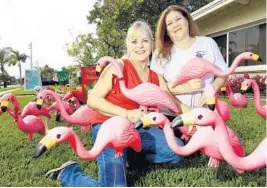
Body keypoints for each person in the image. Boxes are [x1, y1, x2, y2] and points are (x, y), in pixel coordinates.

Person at [44, 21, 191, 187]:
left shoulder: (155, 76)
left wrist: (196, 117)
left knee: (176, 150)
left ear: (152, 43)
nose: (140, 46)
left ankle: (132, 158)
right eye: (134, 41)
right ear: (128, 45)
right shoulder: (118, 67)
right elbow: (93, 99)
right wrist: (127, 114)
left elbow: (174, 102)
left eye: (145, 40)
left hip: (137, 129)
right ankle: (69, 173)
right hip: (108, 128)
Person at [150, 5, 228, 108]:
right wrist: (185, 87)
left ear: (187, 20)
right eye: (169, 23)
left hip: (205, 114)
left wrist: (213, 87)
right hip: (172, 116)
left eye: (178, 19)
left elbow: (223, 73)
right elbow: (156, 86)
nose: (175, 25)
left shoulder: (207, 43)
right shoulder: (159, 55)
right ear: (167, 31)